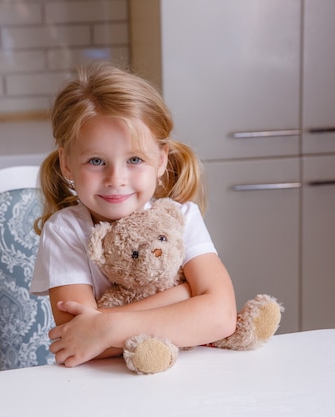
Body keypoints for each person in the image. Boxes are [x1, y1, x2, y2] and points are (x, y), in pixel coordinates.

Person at [31, 62, 237, 368]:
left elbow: (221, 317)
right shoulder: (66, 230)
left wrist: (108, 327)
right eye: (97, 160)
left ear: (161, 160)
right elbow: (76, 341)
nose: (116, 178)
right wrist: (183, 297)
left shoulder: (181, 217)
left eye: (135, 159)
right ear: (67, 163)